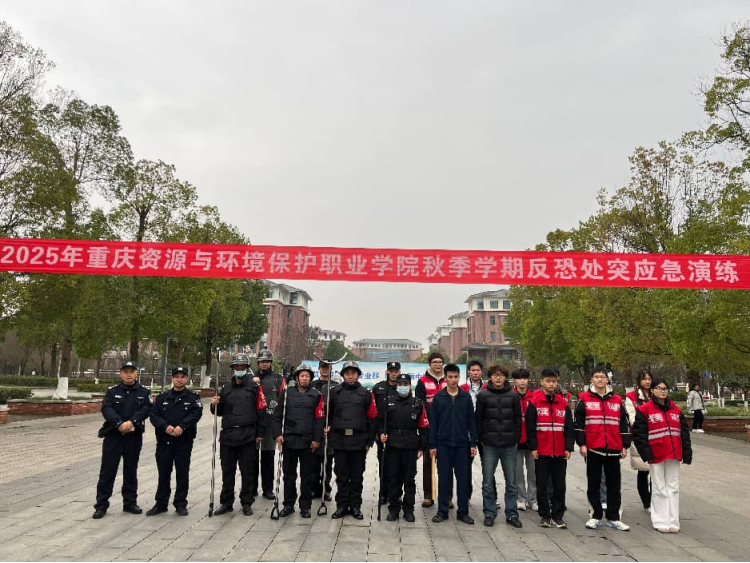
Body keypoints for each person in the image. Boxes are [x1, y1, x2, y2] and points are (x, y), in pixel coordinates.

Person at [92, 361, 153, 519]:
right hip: (114, 435)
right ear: (120, 374)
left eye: (132, 371)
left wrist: (132, 422)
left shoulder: (144, 392)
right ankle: (101, 505)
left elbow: (146, 409)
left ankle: (130, 503)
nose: (129, 374)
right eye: (125, 371)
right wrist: (119, 423)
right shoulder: (112, 391)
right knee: (107, 471)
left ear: (136, 373)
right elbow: (106, 408)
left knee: (130, 470)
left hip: (133, 436)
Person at [633, 378, 693, 534]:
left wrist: (686, 453)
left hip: (674, 453)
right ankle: (660, 520)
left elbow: (684, 433)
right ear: (652, 391)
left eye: (665, 388)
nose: (662, 391)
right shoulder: (645, 410)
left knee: (673, 487)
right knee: (659, 487)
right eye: (659, 388)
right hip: (656, 454)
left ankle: (673, 520)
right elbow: (639, 434)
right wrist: (646, 453)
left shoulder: (676, 410)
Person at [210, 353, 268, 516]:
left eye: (242, 367)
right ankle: (226, 502)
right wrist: (214, 405)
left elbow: (261, 411)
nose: (239, 369)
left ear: (247, 369)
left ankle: (247, 502)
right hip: (228, 435)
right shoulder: (226, 389)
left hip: (247, 434)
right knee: (227, 471)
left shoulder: (255, 388)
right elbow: (219, 411)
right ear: (233, 369)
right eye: (237, 367)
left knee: (247, 472)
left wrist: (260, 433)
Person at [576, 366, 631, 531]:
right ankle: (596, 515)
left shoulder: (617, 400)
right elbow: (579, 425)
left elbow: (624, 423)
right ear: (591, 380)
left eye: (602, 377)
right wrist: (582, 444)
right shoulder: (584, 399)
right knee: (593, 483)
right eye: (596, 376)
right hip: (593, 448)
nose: (600, 379)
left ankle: (613, 517)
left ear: (608, 379)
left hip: (613, 447)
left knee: (614, 484)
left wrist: (625, 445)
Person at [147, 367, 203, 517]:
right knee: (163, 473)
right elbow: (154, 415)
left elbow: (196, 413)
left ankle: (180, 504)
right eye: (177, 376)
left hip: (183, 441)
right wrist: (164, 426)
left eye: (182, 377)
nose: (179, 379)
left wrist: (182, 426)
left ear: (186, 379)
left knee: (182, 473)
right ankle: (161, 503)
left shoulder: (193, 397)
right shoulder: (162, 397)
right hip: (164, 441)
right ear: (172, 378)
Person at [326, 361, 378, 520]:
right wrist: (329, 433)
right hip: (340, 440)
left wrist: (369, 442)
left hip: (358, 441)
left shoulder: (366, 394)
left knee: (356, 476)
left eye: (353, 373)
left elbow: (372, 418)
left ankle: (355, 506)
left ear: (358, 375)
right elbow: (328, 415)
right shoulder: (334, 392)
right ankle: (341, 505)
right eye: (347, 373)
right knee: (341, 475)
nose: (350, 376)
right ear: (343, 375)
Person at [274, 364, 325, 519]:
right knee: (289, 475)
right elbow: (277, 416)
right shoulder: (287, 393)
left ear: (311, 378)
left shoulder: (316, 395)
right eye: (302, 376)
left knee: (307, 476)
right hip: (289, 439)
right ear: (297, 378)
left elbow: (319, 419)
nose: (304, 379)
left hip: (308, 441)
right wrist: (277, 434)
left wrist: (317, 439)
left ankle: (305, 506)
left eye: (307, 376)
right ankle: (288, 504)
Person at [526, 367, 574, 529]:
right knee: (542, 484)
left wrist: (568, 447)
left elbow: (569, 428)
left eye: (554, 381)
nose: (551, 384)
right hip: (542, 451)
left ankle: (558, 515)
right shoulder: (535, 402)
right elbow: (530, 428)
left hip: (560, 452)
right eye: (548, 381)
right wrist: (533, 447)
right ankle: (545, 515)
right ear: (542, 382)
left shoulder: (563, 403)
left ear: (557, 381)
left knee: (559, 485)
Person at [429, 364, 477, 525]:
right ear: (445, 377)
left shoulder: (465, 397)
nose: (453, 380)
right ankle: (442, 511)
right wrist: (432, 445)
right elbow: (433, 423)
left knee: (463, 479)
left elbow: (471, 422)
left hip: (462, 445)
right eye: (450, 377)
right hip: (443, 444)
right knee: (444, 479)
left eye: (456, 377)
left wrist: (473, 443)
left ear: (459, 377)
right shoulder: (439, 397)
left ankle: (463, 512)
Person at [476, 365, 522, 528]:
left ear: (505, 377)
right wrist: (481, 438)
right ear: (490, 377)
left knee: (511, 482)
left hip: (509, 445)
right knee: (487, 482)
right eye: (495, 375)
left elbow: (518, 420)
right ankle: (489, 513)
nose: (498, 378)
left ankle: (512, 514)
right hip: (490, 445)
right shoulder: (483, 395)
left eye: (501, 375)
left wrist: (515, 438)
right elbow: (478, 419)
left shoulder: (513, 396)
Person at [380, 373, 429, 522]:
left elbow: (423, 427)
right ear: (396, 386)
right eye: (400, 384)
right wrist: (381, 434)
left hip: (410, 445)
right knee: (393, 478)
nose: (403, 387)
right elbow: (381, 422)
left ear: (410, 386)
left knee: (409, 479)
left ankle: (408, 509)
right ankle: (394, 508)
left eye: (405, 384)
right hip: (393, 445)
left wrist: (421, 447)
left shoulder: (417, 404)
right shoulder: (388, 402)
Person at [415, 352, 447, 508]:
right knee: (428, 463)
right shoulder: (422, 381)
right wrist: (431, 418)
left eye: (440, 361)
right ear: (429, 364)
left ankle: (447, 496)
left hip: (447, 428)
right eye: (435, 362)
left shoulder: (448, 380)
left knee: (446, 464)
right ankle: (428, 496)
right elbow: (420, 403)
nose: (438, 364)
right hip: (429, 427)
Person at [253, 349, 285, 499]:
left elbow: (282, 399)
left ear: (271, 362)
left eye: (267, 361)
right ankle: (251, 488)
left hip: (270, 423)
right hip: (253, 423)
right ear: (258, 362)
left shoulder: (278, 378)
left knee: (268, 457)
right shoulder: (250, 377)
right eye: (262, 361)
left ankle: (267, 489)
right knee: (251, 459)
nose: (264, 364)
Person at [373, 361, 401, 505]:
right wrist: (376, 432)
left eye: (396, 371)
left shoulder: (403, 387)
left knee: (397, 465)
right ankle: (383, 493)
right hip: (382, 431)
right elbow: (373, 411)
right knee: (383, 464)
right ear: (387, 371)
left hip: (397, 431)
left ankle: (396, 494)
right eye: (391, 371)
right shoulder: (379, 387)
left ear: (399, 372)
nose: (394, 373)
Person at [625, 369, 653, 512]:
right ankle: (646, 502)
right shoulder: (631, 397)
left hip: (656, 436)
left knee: (656, 471)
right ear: (639, 381)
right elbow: (632, 418)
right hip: (640, 436)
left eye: (649, 379)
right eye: (644, 379)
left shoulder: (656, 394)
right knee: (643, 470)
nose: (647, 382)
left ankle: (655, 500)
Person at [311, 359, 338, 501]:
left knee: (327, 462)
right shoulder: (312, 385)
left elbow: (338, 409)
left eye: (327, 367)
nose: (325, 369)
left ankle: (326, 489)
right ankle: (314, 489)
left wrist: (332, 425)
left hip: (329, 429)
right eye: (323, 367)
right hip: (314, 427)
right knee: (314, 462)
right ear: (319, 368)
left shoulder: (336, 386)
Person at [461, 360, 487, 502]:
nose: (475, 373)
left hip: (484, 433)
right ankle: (466, 495)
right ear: (469, 372)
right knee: (465, 467)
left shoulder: (488, 388)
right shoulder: (462, 389)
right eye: (473, 370)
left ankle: (491, 496)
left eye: (478, 370)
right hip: (467, 433)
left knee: (488, 467)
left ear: (481, 372)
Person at [513, 369, 537, 513]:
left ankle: (532, 499)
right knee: (518, 472)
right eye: (519, 378)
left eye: (525, 378)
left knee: (533, 472)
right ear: (514, 380)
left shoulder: (534, 397)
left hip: (531, 441)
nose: (522, 381)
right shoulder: (510, 396)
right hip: (515, 441)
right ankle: (521, 498)